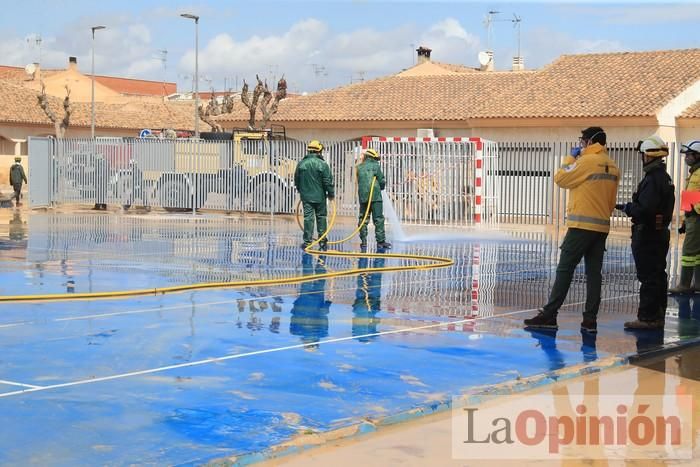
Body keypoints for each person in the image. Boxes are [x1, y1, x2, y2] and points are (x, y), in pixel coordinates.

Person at [524, 127, 620, 333]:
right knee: (594, 274)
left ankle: (549, 314)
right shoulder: (612, 166)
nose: (580, 144)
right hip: (601, 228)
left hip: (580, 227)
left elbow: (560, 179)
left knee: (565, 269)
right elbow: (611, 202)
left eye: (582, 141)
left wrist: (569, 158)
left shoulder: (585, 162)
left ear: (589, 142)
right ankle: (590, 320)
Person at [616, 135, 675, 330]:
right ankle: (657, 316)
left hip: (648, 235)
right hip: (659, 234)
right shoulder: (664, 178)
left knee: (649, 277)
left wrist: (628, 208)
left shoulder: (652, 179)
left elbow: (644, 210)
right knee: (658, 275)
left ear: (648, 156)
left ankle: (648, 318)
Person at [669, 140, 700, 294]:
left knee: (688, 251)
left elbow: (695, 198)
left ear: (698, 155)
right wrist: (684, 221)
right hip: (693, 218)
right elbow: (690, 197)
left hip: (697, 218)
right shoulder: (694, 172)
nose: (686, 157)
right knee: (697, 253)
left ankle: (684, 285)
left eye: (689, 154)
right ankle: (698, 284)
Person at [294, 140, 334, 250]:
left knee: (308, 218)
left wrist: (301, 191)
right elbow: (327, 182)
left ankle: (307, 242)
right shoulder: (323, 164)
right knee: (321, 218)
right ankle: (322, 242)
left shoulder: (301, 164)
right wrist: (331, 194)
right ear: (319, 151)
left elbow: (296, 180)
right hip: (320, 197)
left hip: (306, 197)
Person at [357, 148, 391, 250]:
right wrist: (381, 187)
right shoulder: (376, 166)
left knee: (363, 219)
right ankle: (380, 242)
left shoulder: (359, 167)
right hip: (375, 196)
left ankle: (363, 242)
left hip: (363, 196)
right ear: (372, 157)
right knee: (378, 219)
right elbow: (381, 181)